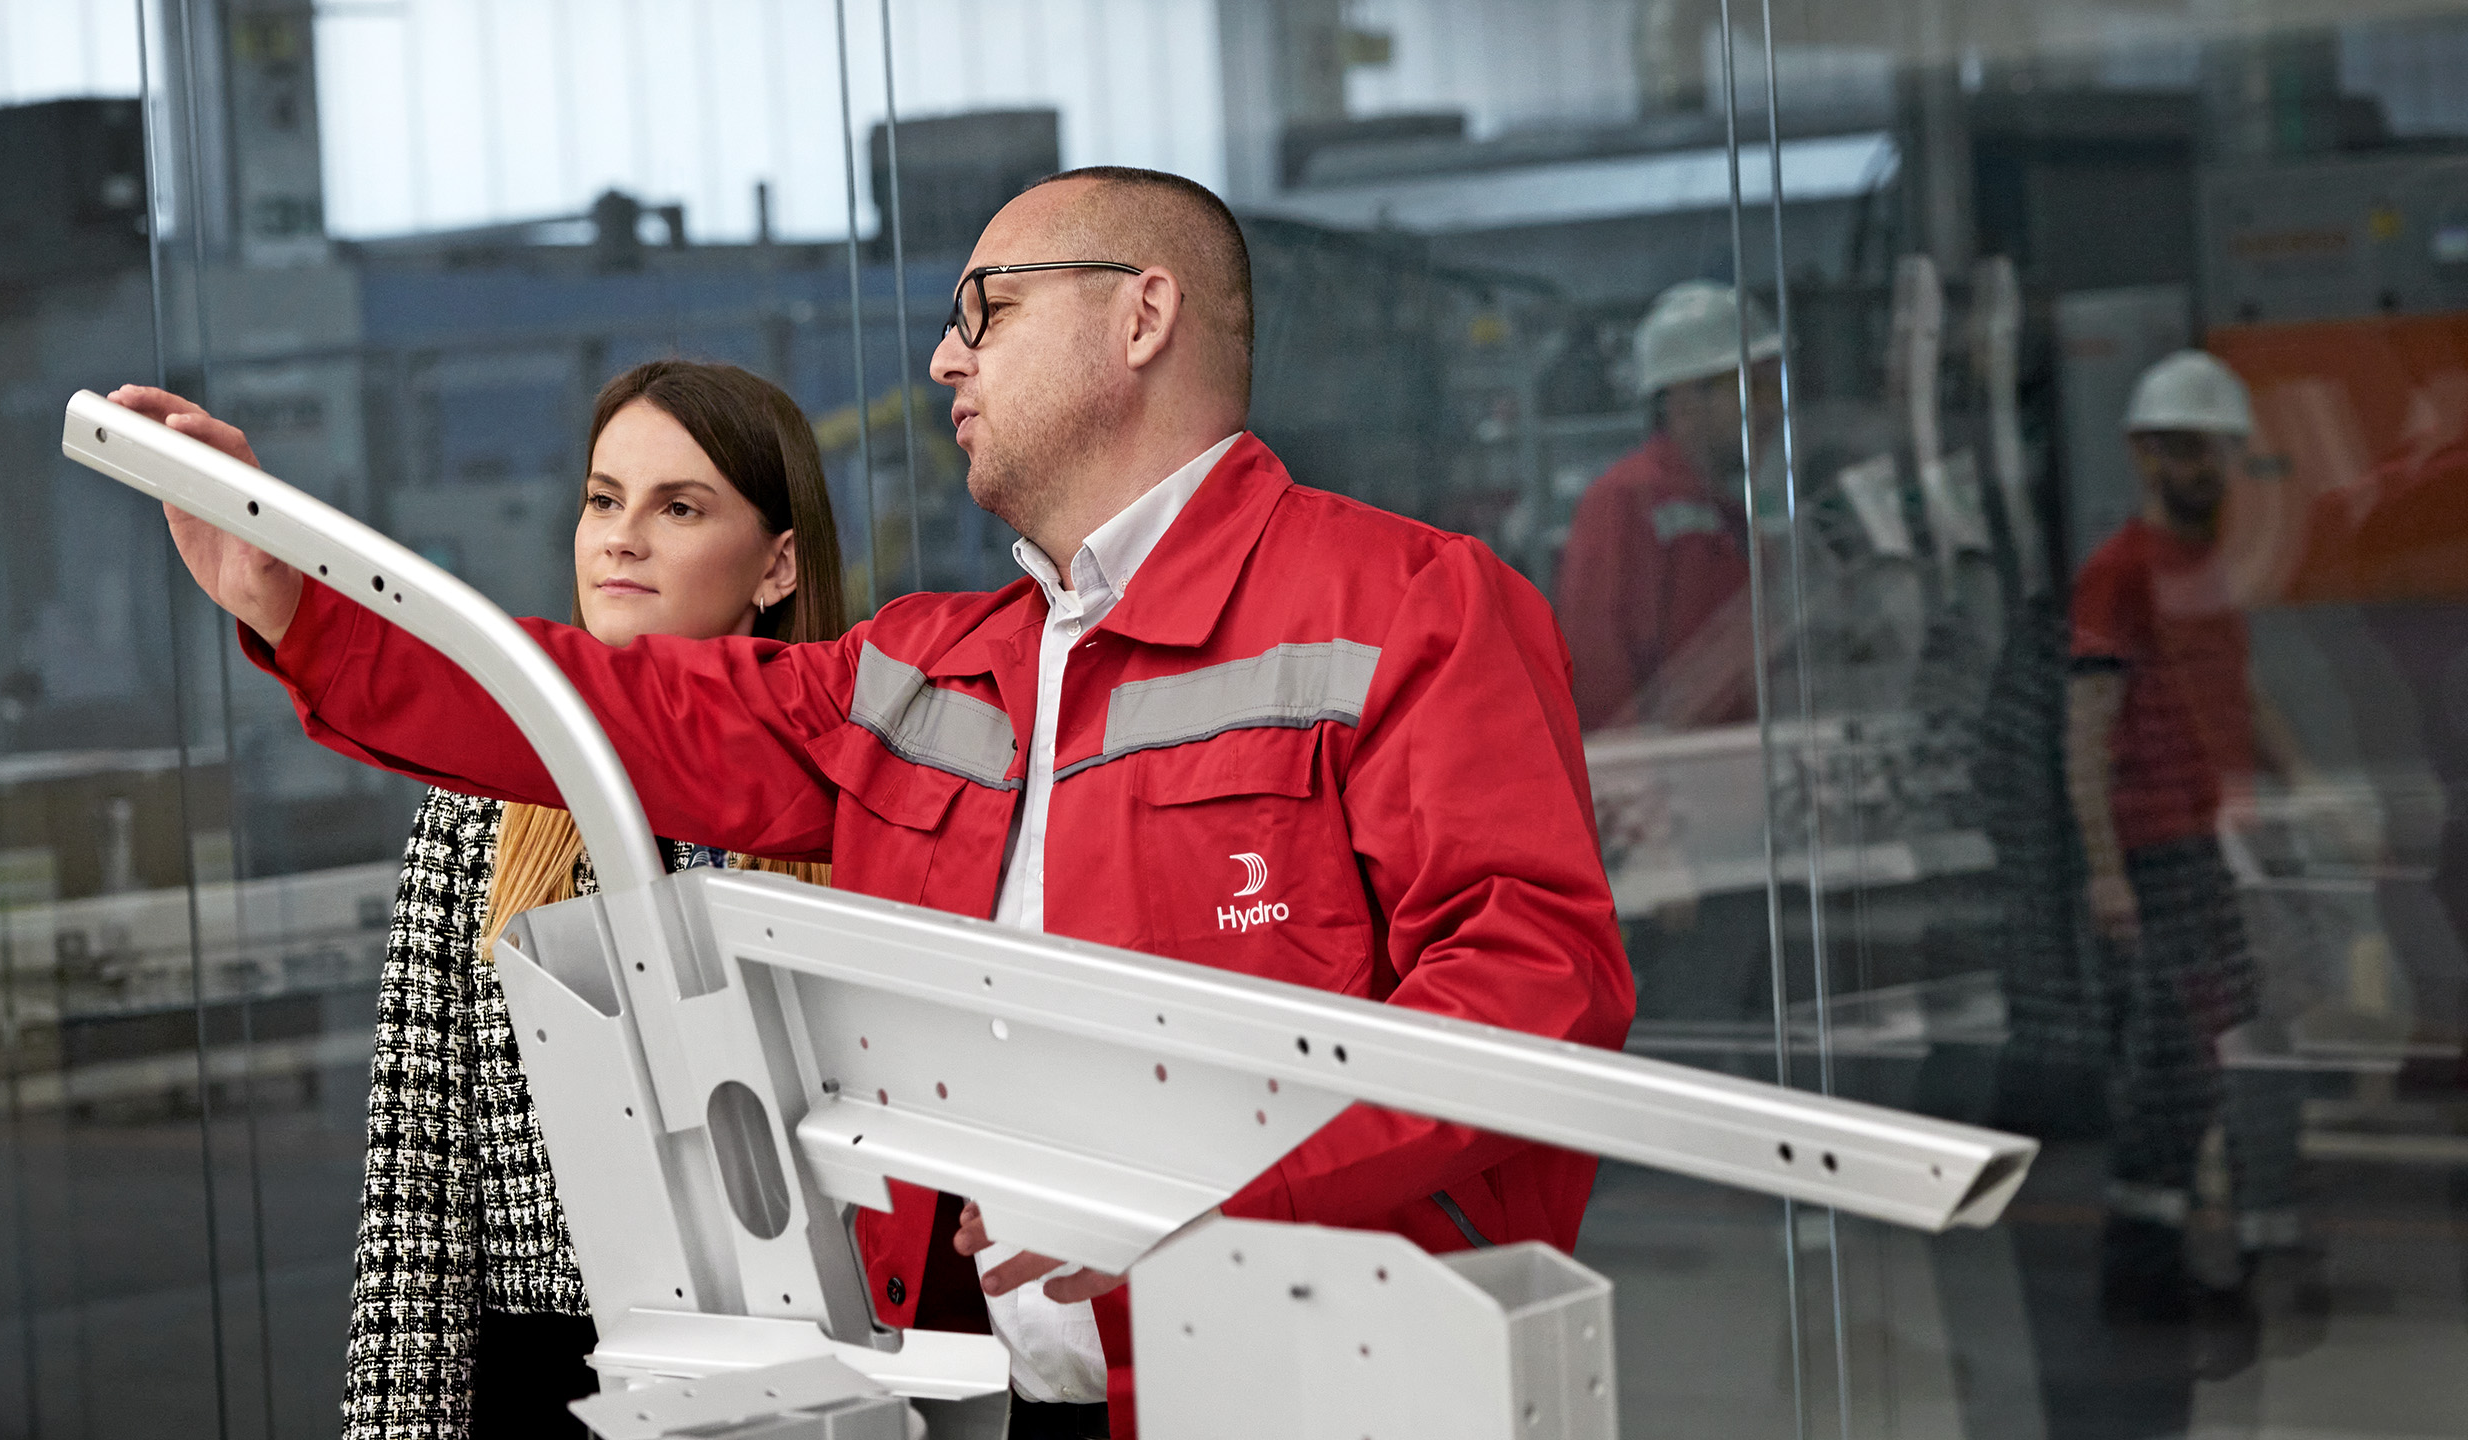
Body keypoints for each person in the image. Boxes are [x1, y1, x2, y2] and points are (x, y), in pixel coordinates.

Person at [136, 166, 1634, 1440]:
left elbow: (1532, 989)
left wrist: (1207, 1205)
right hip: (1019, 1402)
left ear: (1142, 315)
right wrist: (307, 602)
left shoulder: (1411, 607)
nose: (942, 361)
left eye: (986, 311)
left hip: (1303, 1382)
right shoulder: (932, 674)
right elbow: (623, 708)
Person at [115, 361, 849, 1439]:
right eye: (603, 499)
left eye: (677, 507)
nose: (620, 538)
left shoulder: (861, 817)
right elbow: (418, 1195)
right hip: (541, 1380)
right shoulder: (479, 820)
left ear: (778, 563)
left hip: (803, 1376)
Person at [2065, 349, 2308, 1322]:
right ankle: (2139, 1272)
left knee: (2221, 1048)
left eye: (2219, 452)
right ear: (2148, 456)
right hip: (2153, 853)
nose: (2209, 471)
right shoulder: (2118, 574)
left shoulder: (2205, 566)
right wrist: (2105, 873)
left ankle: (2202, 1254)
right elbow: (2084, 731)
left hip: (2210, 849)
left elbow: (2234, 694)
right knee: (2168, 1063)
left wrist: (2301, 791)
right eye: (2190, 452)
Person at [1554, 278, 1782, 733]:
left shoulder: (1723, 511)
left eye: (1771, 389)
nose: (1772, 410)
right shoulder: (1623, 501)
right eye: (1752, 391)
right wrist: (1632, 781)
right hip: (1668, 780)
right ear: (1683, 400)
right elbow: (1596, 664)